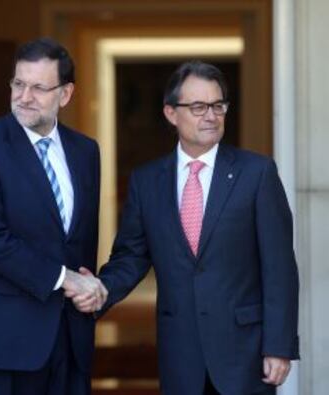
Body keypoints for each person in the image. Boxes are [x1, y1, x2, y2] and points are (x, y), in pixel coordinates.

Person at [72, 61, 299, 395]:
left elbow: (280, 268)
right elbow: (132, 256)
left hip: (244, 353)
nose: (211, 115)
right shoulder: (147, 181)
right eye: (198, 107)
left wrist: (278, 346)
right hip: (181, 353)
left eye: (218, 105)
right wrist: (101, 288)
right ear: (170, 113)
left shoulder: (257, 173)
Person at [0, 37, 107, 395]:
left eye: (39, 88)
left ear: (65, 94)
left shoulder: (86, 151)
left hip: (71, 341)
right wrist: (67, 279)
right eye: (18, 84)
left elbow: (81, 240)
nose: (24, 96)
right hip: (5, 341)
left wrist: (90, 291)